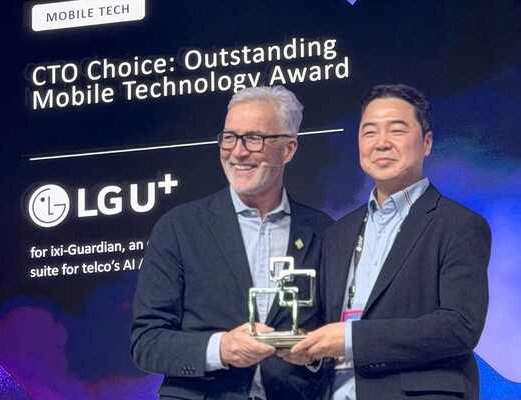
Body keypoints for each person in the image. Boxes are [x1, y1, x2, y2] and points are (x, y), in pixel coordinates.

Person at [281, 84, 491, 399]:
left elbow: (459, 327)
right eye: (369, 132)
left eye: (397, 130)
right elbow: (330, 329)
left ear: (427, 143)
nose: (381, 143)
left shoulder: (458, 225)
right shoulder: (338, 233)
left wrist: (351, 339)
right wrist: (309, 349)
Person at [130, 85, 333, 400]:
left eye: (254, 138)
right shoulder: (179, 228)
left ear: (288, 149)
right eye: (229, 137)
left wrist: (313, 353)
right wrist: (221, 349)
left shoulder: (324, 232)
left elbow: (341, 337)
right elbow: (147, 342)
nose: (237, 152)